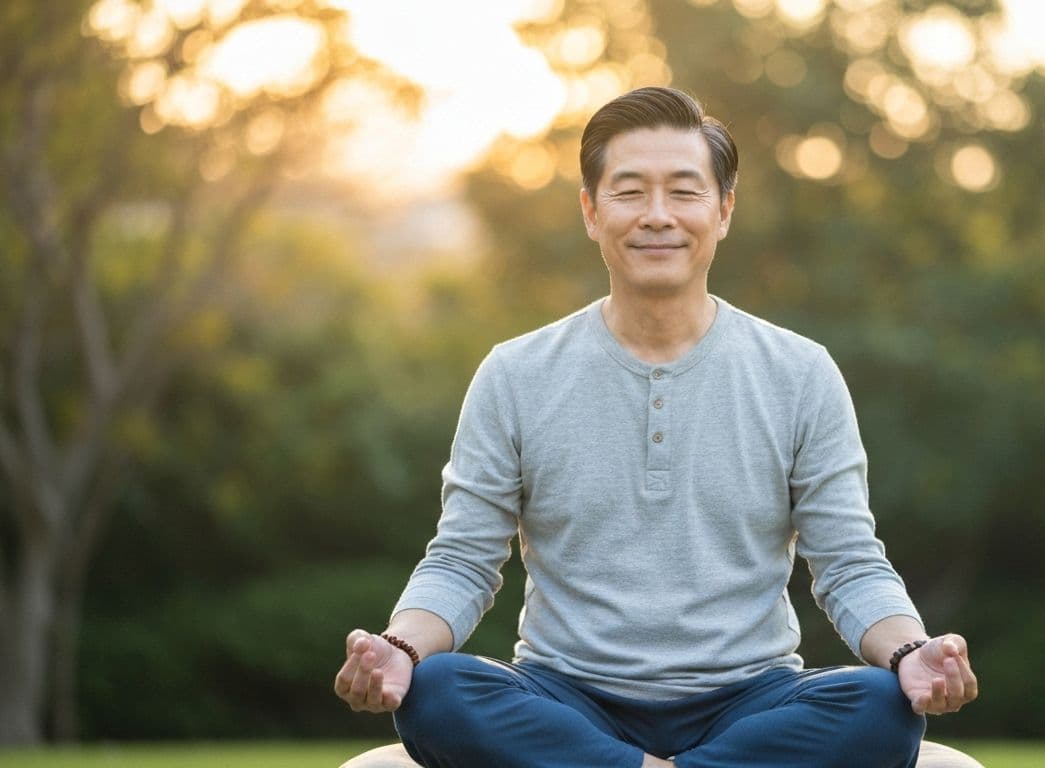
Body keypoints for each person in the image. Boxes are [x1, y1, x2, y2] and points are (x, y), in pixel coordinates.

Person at [333, 86, 978, 768]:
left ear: (724, 210)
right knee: (435, 690)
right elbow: (463, 561)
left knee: (881, 709)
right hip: (564, 696)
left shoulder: (800, 372)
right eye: (631, 192)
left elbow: (848, 563)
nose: (658, 216)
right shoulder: (515, 373)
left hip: (750, 698)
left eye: (685, 192)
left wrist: (911, 652)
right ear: (591, 210)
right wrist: (400, 648)